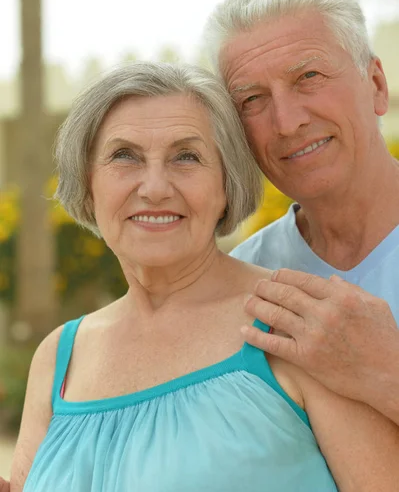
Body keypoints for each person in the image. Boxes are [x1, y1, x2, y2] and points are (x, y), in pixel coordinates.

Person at [7, 62, 399, 491]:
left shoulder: (302, 323)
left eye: (186, 157)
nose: (154, 187)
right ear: (88, 183)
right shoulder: (59, 356)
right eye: (124, 156)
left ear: (227, 185)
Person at [204, 0, 399, 424]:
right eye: (252, 99)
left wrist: (385, 372)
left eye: (308, 76)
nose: (287, 122)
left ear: (376, 85)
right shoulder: (245, 281)